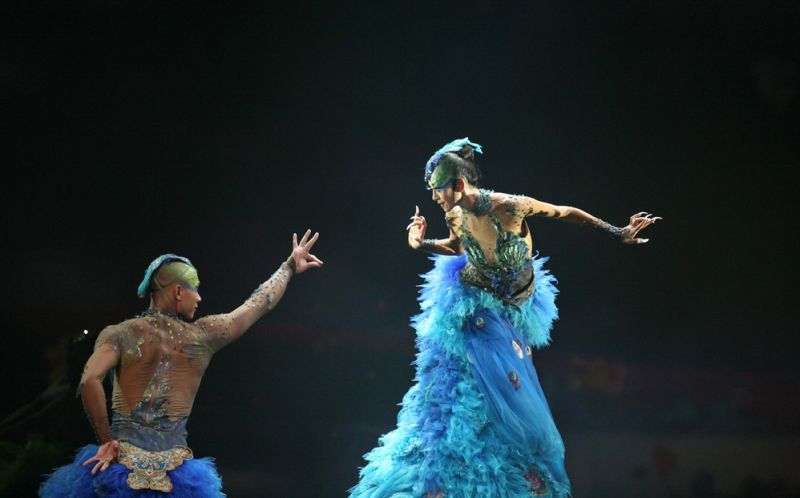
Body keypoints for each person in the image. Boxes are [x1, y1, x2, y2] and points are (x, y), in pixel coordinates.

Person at [350, 138, 658, 498]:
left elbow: (566, 212)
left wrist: (617, 231)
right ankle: (450, 464)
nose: (433, 197)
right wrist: (419, 243)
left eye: (437, 189)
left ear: (458, 184)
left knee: (508, 386)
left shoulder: (509, 207)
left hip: (514, 302)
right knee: (466, 383)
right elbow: (456, 246)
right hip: (476, 301)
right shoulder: (455, 214)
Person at [40, 230, 323, 497]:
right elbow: (258, 304)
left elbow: (89, 380)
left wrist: (105, 441)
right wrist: (288, 266)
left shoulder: (119, 334)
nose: (199, 297)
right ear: (177, 292)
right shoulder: (202, 336)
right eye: (195, 289)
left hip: (119, 466)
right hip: (175, 475)